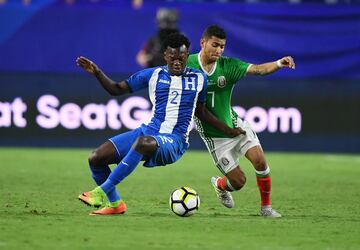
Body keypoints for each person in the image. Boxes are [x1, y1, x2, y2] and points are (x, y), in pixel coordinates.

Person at [76, 33, 244, 215]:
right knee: (95, 158)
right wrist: (97, 72)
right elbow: (116, 89)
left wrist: (228, 130)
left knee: (143, 143)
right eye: (173, 59)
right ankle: (115, 204)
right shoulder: (153, 75)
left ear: (187, 55)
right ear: (165, 56)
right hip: (148, 131)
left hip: (175, 140)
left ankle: (100, 192)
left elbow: (201, 111)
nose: (177, 62)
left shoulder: (199, 78)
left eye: (181, 58)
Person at [187, 25, 296, 218]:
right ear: (203, 43)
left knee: (260, 160)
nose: (219, 50)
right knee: (239, 182)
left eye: (222, 46)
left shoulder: (228, 66)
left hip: (236, 125)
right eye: (215, 45)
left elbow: (258, 70)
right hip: (215, 138)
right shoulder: (188, 66)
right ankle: (220, 185)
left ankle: (266, 208)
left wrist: (279, 63)